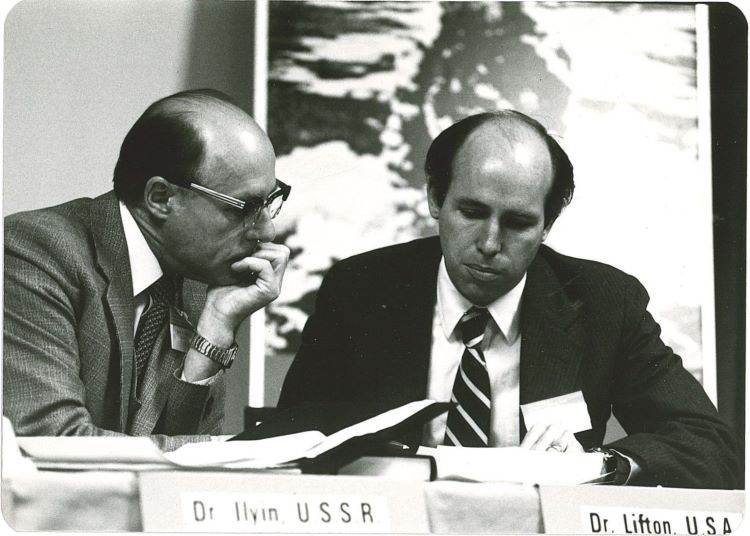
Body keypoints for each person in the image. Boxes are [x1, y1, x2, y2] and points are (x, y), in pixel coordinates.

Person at [279, 110, 740, 489]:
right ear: (435, 199)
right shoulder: (361, 288)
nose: (489, 242)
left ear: (547, 225)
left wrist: (598, 466)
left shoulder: (605, 302)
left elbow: (708, 447)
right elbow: (293, 438)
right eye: (472, 212)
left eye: (518, 222)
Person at [4, 89, 290, 451]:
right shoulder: (34, 251)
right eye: (244, 207)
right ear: (160, 198)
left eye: (269, 202)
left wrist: (216, 327)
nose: (267, 232)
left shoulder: (202, 282)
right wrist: (239, 451)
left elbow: (174, 463)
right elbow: (53, 446)